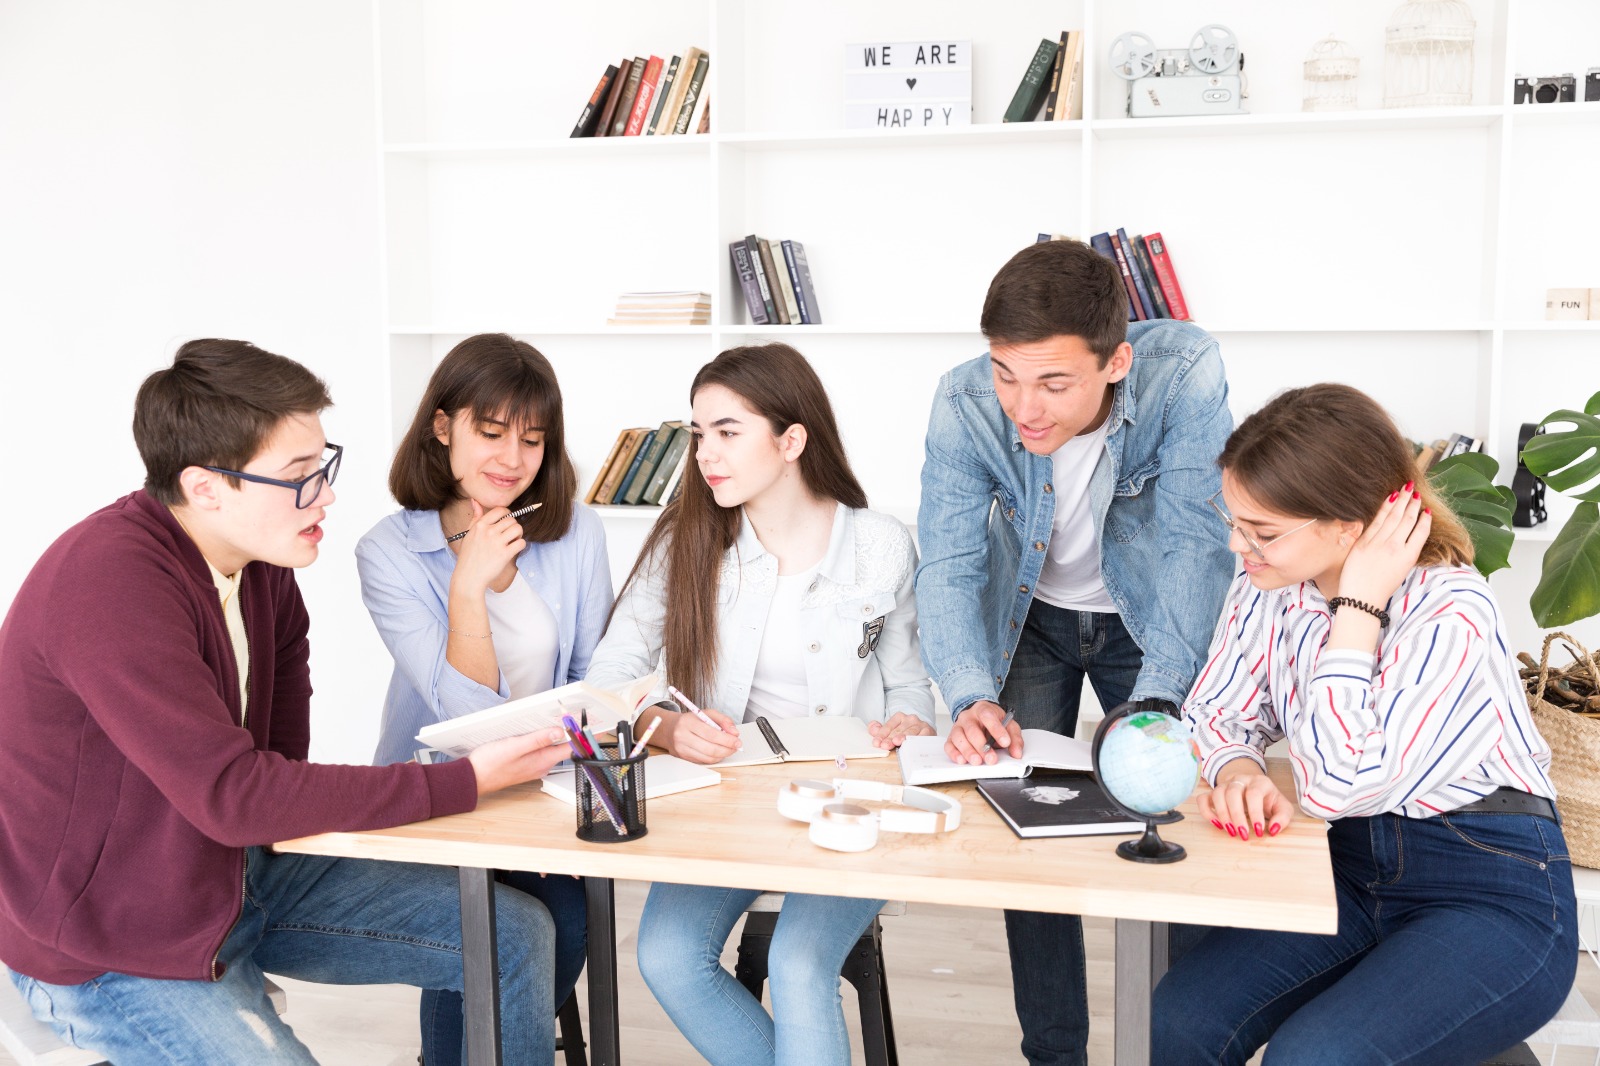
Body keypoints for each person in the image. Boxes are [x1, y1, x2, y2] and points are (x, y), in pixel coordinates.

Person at [0, 339, 571, 1065]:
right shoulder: (109, 584)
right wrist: (465, 780)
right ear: (206, 487)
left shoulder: (266, 571)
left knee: (512, 935)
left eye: (323, 466)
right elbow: (236, 796)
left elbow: (273, 775)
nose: (326, 495)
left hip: (232, 877)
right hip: (109, 939)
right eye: (300, 476)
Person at [1153, 383, 1577, 1065]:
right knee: (1184, 1016)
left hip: (1490, 886)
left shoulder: (1450, 609)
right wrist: (1237, 770)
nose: (1238, 547)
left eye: (1262, 532)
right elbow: (1216, 712)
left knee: (1313, 1057)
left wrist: (1357, 612)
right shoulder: (1268, 588)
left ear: (1348, 527)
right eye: (1233, 520)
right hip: (1346, 869)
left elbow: (1337, 787)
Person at [914, 237, 1236, 1065]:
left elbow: (1199, 545)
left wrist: (1161, 697)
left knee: (1172, 811)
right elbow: (948, 563)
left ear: (1117, 361)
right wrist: (965, 694)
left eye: (1054, 382)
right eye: (1006, 373)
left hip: (1149, 619)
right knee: (1032, 830)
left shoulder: (1184, 374)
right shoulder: (961, 403)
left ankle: (1189, 1041)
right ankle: (1054, 1054)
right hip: (1033, 622)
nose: (1025, 406)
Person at [585, 343, 935, 1066]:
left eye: (727, 431)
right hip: (731, 803)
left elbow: (908, 685)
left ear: (792, 440)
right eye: (697, 433)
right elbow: (607, 683)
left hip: (853, 798)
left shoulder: (882, 546)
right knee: (668, 957)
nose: (705, 453)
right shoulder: (685, 542)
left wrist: (912, 723)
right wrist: (668, 727)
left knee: (801, 967)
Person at [357, 333, 610, 1065]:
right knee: (481, 931)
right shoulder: (389, 552)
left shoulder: (576, 532)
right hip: (442, 793)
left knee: (564, 921)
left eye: (533, 440)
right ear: (443, 427)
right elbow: (457, 719)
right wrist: (467, 582)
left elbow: (593, 675)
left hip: (546, 789)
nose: (512, 458)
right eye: (491, 432)